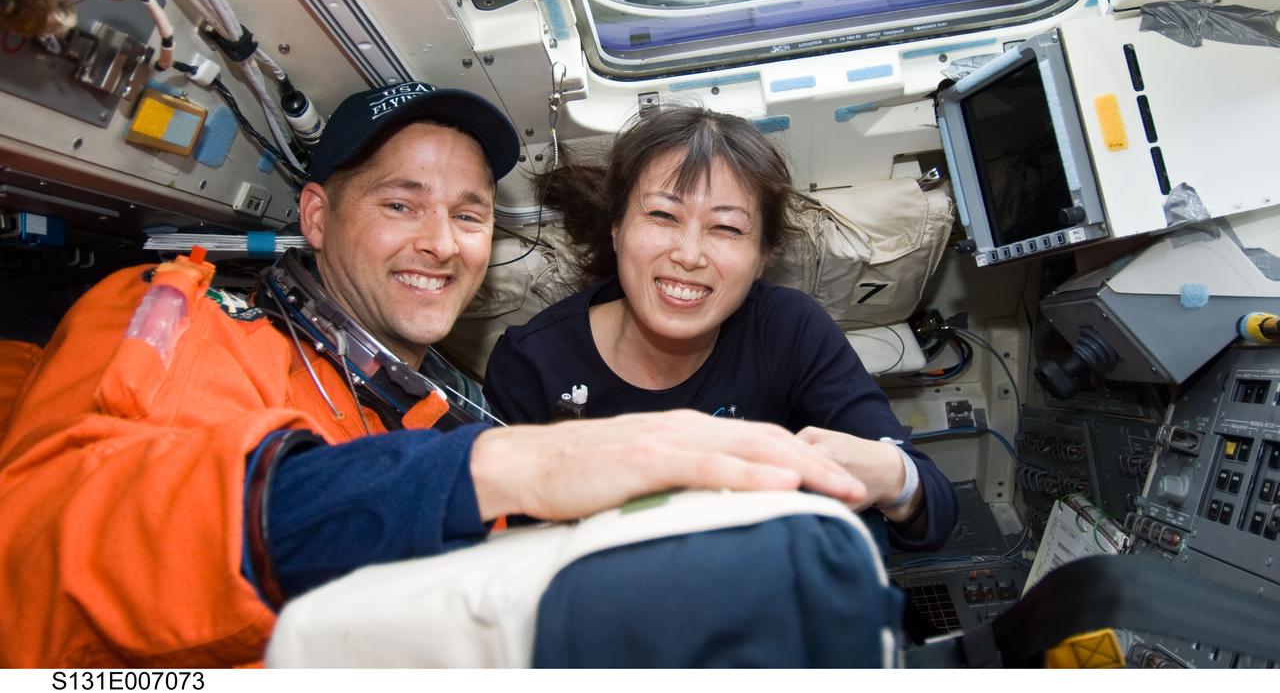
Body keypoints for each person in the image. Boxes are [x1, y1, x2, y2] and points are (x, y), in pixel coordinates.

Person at [0, 83, 870, 668]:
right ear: (315, 214)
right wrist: (514, 467)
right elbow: (43, 550)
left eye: (469, 214)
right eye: (400, 204)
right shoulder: (184, 319)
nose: (442, 242)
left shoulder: (437, 406)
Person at [484, 106, 958, 551]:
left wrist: (894, 478)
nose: (689, 255)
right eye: (663, 216)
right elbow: (510, 559)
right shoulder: (532, 364)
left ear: (762, 258)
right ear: (616, 228)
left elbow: (934, 512)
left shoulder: (789, 329)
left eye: (727, 229)